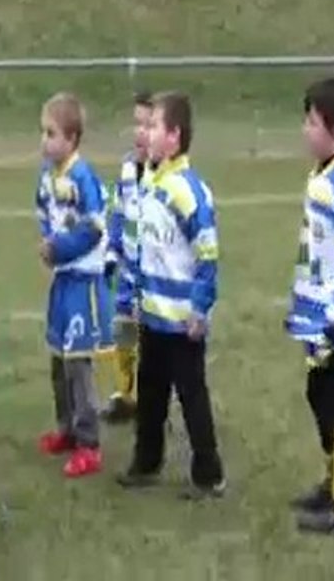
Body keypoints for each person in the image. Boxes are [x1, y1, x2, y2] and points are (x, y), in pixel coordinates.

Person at [117, 91, 226, 500]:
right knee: (150, 395)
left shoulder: (187, 191)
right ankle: (147, 462)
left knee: (192, 395)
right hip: (153, 318)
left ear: (174, 136)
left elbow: (207, 254)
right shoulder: (150, 182)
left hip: (183, 321)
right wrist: (133, 297)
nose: (144, 133)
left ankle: (209, 473)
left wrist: (200, 308)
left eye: (153, 126)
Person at [285, 76, 334, 534]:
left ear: (333, 129)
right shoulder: (324, 176)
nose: (304, 129)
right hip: (321, 318)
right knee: (319, 393)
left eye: (311, 121)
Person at [35, 93, 113, 478]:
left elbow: (96, 228)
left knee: (78, 363)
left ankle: (89, 443)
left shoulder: (84, 178)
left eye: (51, 133)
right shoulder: (47, 176)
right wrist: (48, 241)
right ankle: (65, 428)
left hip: (83, 280)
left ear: (72, 138)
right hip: (62, 280)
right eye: (43, 132)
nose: (44, 141)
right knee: (57, 356)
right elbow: (44, 213)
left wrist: (60, 247)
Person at [102, 91, 154, 424]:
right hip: (128, 271)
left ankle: (151, 396)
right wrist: (111, 251)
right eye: (136, 123)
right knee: (123, 331)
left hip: (154, 275)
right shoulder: (126, 168)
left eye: (148, 125)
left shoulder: (164, 175)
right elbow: (118, 214)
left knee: (152, 338)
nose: (140, 132)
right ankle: (126, 394)